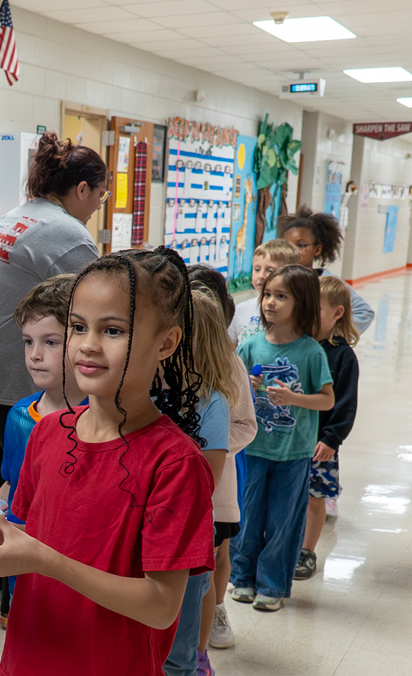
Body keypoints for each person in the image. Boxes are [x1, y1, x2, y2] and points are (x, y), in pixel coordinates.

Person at [0, 247, 216, 676]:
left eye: (112, 330)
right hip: (29, 657)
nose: (87, 345)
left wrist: (46, 561)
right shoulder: (47, 434)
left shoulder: (175, 463)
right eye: (77, 327)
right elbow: (33, 533)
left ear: (165, 342)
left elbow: (162, 606)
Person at [0, 132, 106, 600]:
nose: (98, 206)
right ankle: (14, 578)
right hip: (10, 368)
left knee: (0, 466)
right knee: (22, 475)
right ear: (81, 189)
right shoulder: (68, 234)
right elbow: (99, 300)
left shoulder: (17, 216)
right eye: (99, 195)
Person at [232, 265, 334, 612]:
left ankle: (272, 585)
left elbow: (327, 398)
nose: (270, 303)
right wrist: (247, 385)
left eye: (281, 296)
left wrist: (293, 399)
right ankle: (242, 578)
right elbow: (231, 391)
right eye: (268, 295)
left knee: (282, 521)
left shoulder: (310, 352)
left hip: (293, 452)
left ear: (301, 302)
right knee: (248, 517)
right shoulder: (250, 346)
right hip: (253, 449)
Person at [0, 273, 83, 628]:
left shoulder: (105, 421)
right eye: (28, 342)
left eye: (50, 342)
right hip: (24, 568)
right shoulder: (19, 417)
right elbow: (13, 487)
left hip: (77, 572)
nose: (35, 355)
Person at [164, 288, 233, 676]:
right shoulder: (148, 394)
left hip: (185, 535)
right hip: (143, 531)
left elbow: (205, 481)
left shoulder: (211, 403)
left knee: (178, 652)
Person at [187, 268, 256, 654]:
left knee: (215, 555)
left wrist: (209, 447)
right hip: (172, 485)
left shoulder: (230, 366)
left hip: (217, 488)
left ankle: (214, 610)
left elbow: (247, 425)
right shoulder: (161, 364)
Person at [294, 276, 360, 579]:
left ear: (337, 313)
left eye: (315, 310)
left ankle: (307, 551)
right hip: (291, 438)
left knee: (314, 498)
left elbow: (345, 405)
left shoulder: (343, 356)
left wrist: (332, 438)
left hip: (320, 442)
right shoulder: (298, 347)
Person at [279, 205, 374, 334]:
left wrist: (330, 333)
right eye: (287, 245)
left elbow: (364, 312)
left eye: (300, 245)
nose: (293, 251)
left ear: (317, 249)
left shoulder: (328, 282)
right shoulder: (279, 279)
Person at [227, 239, 300, 345]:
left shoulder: (294, 311)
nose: (261, 276)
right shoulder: (241, 309)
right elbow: (230, 349)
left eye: (270, 271)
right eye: (257, 269)